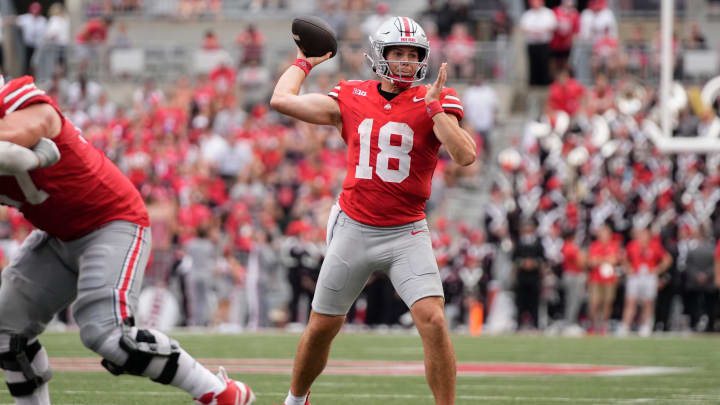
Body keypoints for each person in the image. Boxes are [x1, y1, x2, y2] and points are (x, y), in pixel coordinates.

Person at [0, 76, 255, 405]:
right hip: (58, 234)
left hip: (110, 221)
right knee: (6, 332)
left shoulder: (20, 102)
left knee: (109, 337)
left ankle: (220, 393)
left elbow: (20, 133)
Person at [271, 16, 476, 405]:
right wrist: (304, 61)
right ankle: (295, 400)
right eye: (397, 52)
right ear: (379, 55)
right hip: (354, 227)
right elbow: (282, 100)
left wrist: (433, 108)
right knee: (321, 328)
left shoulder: (436, 98)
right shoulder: (351, 94)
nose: (404, 61)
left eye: (412, 54)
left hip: (406, 232)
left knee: (433, 320)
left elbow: (465, 155)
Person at [618, 227, 671, 337]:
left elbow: (667, 259)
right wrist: (628, 268)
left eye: (645, 234)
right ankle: (625, 325)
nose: (643, 237)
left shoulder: (655, 246)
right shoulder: (633, 244)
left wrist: (658, 269)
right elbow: (623, 257)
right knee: (630, 301)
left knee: (648, 302)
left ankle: (646, 325)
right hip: (636, 275)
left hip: (649, 276)